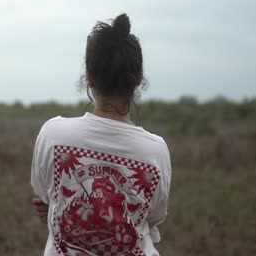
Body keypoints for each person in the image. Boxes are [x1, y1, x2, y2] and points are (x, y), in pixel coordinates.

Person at [31, 13, 172, 256]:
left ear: (89, 77)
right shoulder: (155, 151)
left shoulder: (53, 134)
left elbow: (45, 196)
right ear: (138, 79)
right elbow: (154, 217)